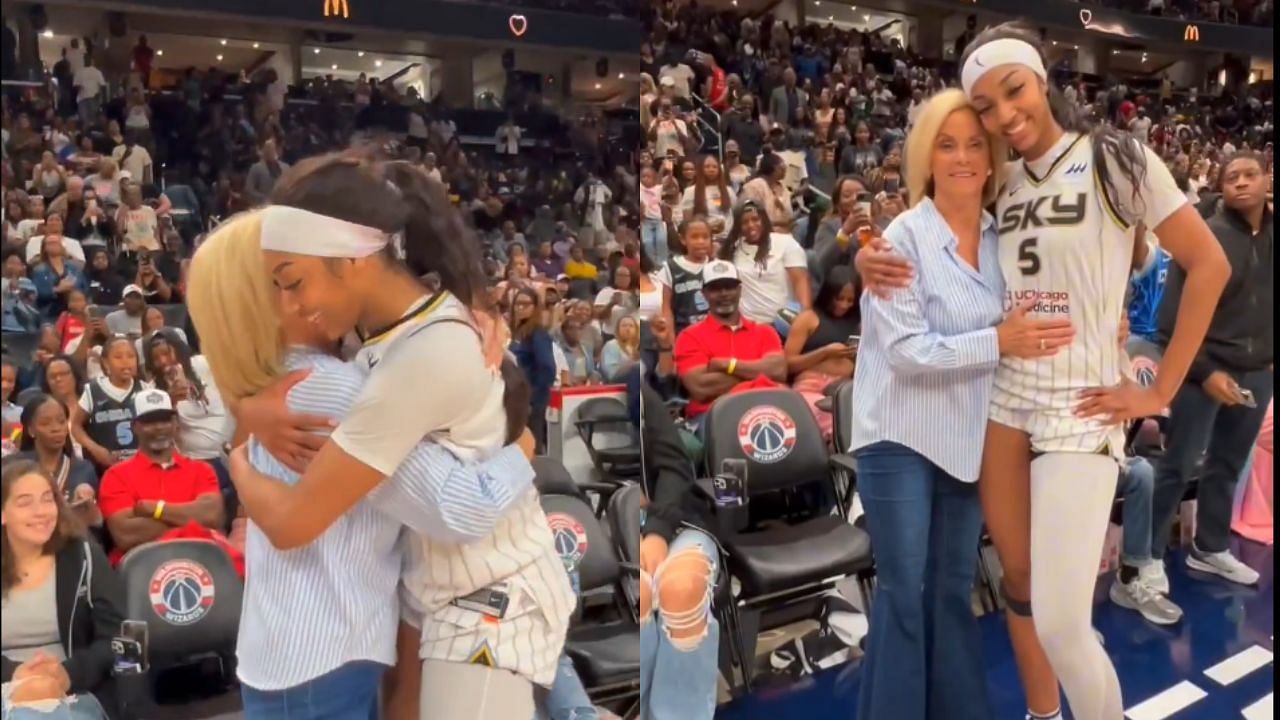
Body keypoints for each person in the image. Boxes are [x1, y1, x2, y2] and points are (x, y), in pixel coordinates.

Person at [859, 25, 1230, 720]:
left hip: (1082, 405)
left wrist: (1159, 387)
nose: (1003, 115)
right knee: (1019, 586)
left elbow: (1207, 265)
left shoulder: (1118, 157)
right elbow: (931, 228)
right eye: (986, 106)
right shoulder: (1000, 183)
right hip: (1002, 404)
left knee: (1063, 621)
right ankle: (1041, 712)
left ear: (1041, 80)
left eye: (1013, 91)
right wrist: (863, 259)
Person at [214, 152, 574, 719]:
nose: (292, 305)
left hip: (489, 595)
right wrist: (248, 409)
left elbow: (291, 522)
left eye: (294, 282)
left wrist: (236, 458)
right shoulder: (373, 324)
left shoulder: (422, 355)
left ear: (352, 259)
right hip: (427, 598)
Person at [850, 90, 1075, 720]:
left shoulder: (1006, 237)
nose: (964, 157)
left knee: (951, 589)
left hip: (969, 435)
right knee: (902, 591)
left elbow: (1034, 315)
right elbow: (907, 353)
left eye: (976, 144)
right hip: (898, 435)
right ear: (925, 157)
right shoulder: (901, 237)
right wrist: (998, 341)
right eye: (947, 144)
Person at [1148, 150, 1273, 588]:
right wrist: (1205, 373)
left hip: (1258, 370)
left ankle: (1211, 547)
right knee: (1177, 465)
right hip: (1204, 371)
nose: (1240, 182)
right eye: (1232, 176)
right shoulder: (1205, 237)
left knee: (1228, 463)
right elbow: (1170, 324)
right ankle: (1146, 559)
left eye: (1249, 174)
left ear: (1266, 177)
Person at [0, 459, 123, 718]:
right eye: (25, 503)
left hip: (74, 689)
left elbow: (117, 636)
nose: (41, 512)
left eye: (48, 499)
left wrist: (69, 672)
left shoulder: (83, 555)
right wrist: (15, 674)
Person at [638, 375, 719, 720]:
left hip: (672, 519)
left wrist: (656, 531)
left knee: (681, 586)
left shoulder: (640, 392)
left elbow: (675, 466)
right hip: (610, 532)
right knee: (639, 593)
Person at [784, 266, 859, 441]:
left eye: (850, 300)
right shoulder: (808, 319)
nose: (843, 305)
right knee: (832, 422)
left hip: (847, 387)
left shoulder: (859, 322)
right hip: (811, 385)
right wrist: (824, 353)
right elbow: (787, 364)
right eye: (839, 298)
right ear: (828, 294)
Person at [70, 337, 147, 473]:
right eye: (118, 357)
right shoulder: (93, 390)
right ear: (105, 363)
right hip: (104, 466)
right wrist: (95, 449)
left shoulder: (145, 390)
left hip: (139, 464)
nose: (126, 361)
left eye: (131, 356)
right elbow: (76, 426)